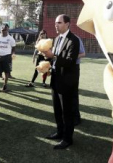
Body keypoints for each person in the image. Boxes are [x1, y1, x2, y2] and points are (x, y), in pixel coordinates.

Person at [42, 14, 79, 150]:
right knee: (57, 109)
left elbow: (70, 61)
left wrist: (54, 56)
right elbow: (55, 60)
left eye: (59, 23)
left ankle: (67, 139)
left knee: (67, 112)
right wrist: (48, 64)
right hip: (56, 80)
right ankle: (60, 132)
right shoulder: (56, 39)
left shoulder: (74, 40)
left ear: (68, 24)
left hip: (67, 83)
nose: (56, 25)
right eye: (55, 23)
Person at [73, 36, 85, 126]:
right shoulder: (59, 39)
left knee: (73, 94)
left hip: (74, 68)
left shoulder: (76, 39)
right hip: (62, 68)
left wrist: (70, 57)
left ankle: (76, 117)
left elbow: (83, 53)